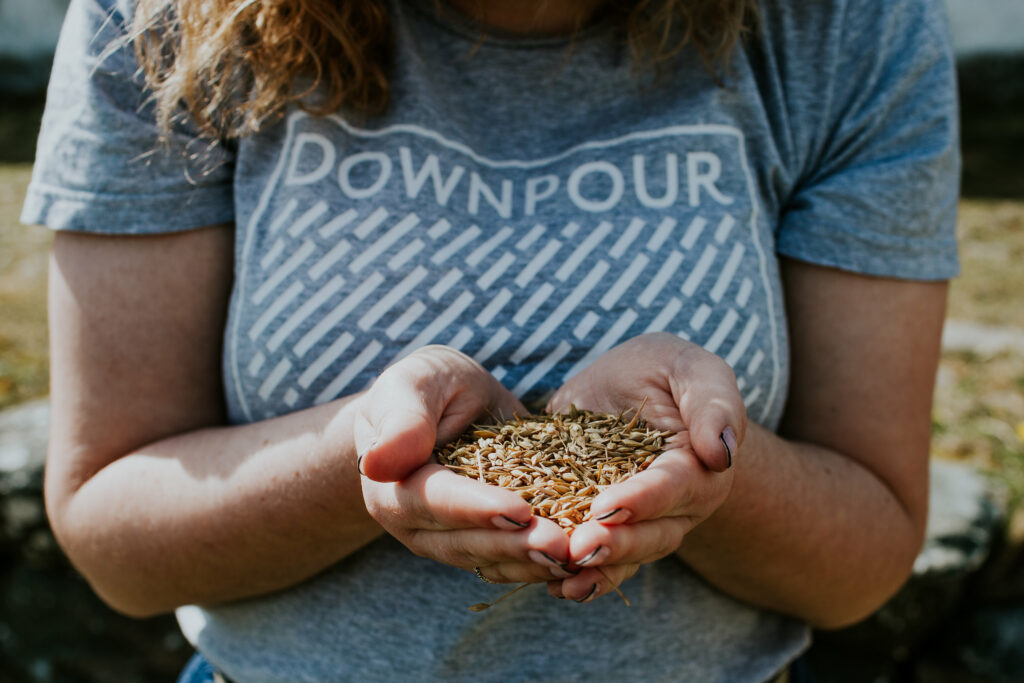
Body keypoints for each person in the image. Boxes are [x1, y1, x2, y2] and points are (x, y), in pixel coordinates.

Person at [22, 0, 959, 680]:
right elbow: (114, 537)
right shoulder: (161, 21)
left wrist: (712, 468)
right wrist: (364, 457)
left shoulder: (845, 27)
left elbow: (863, 561)